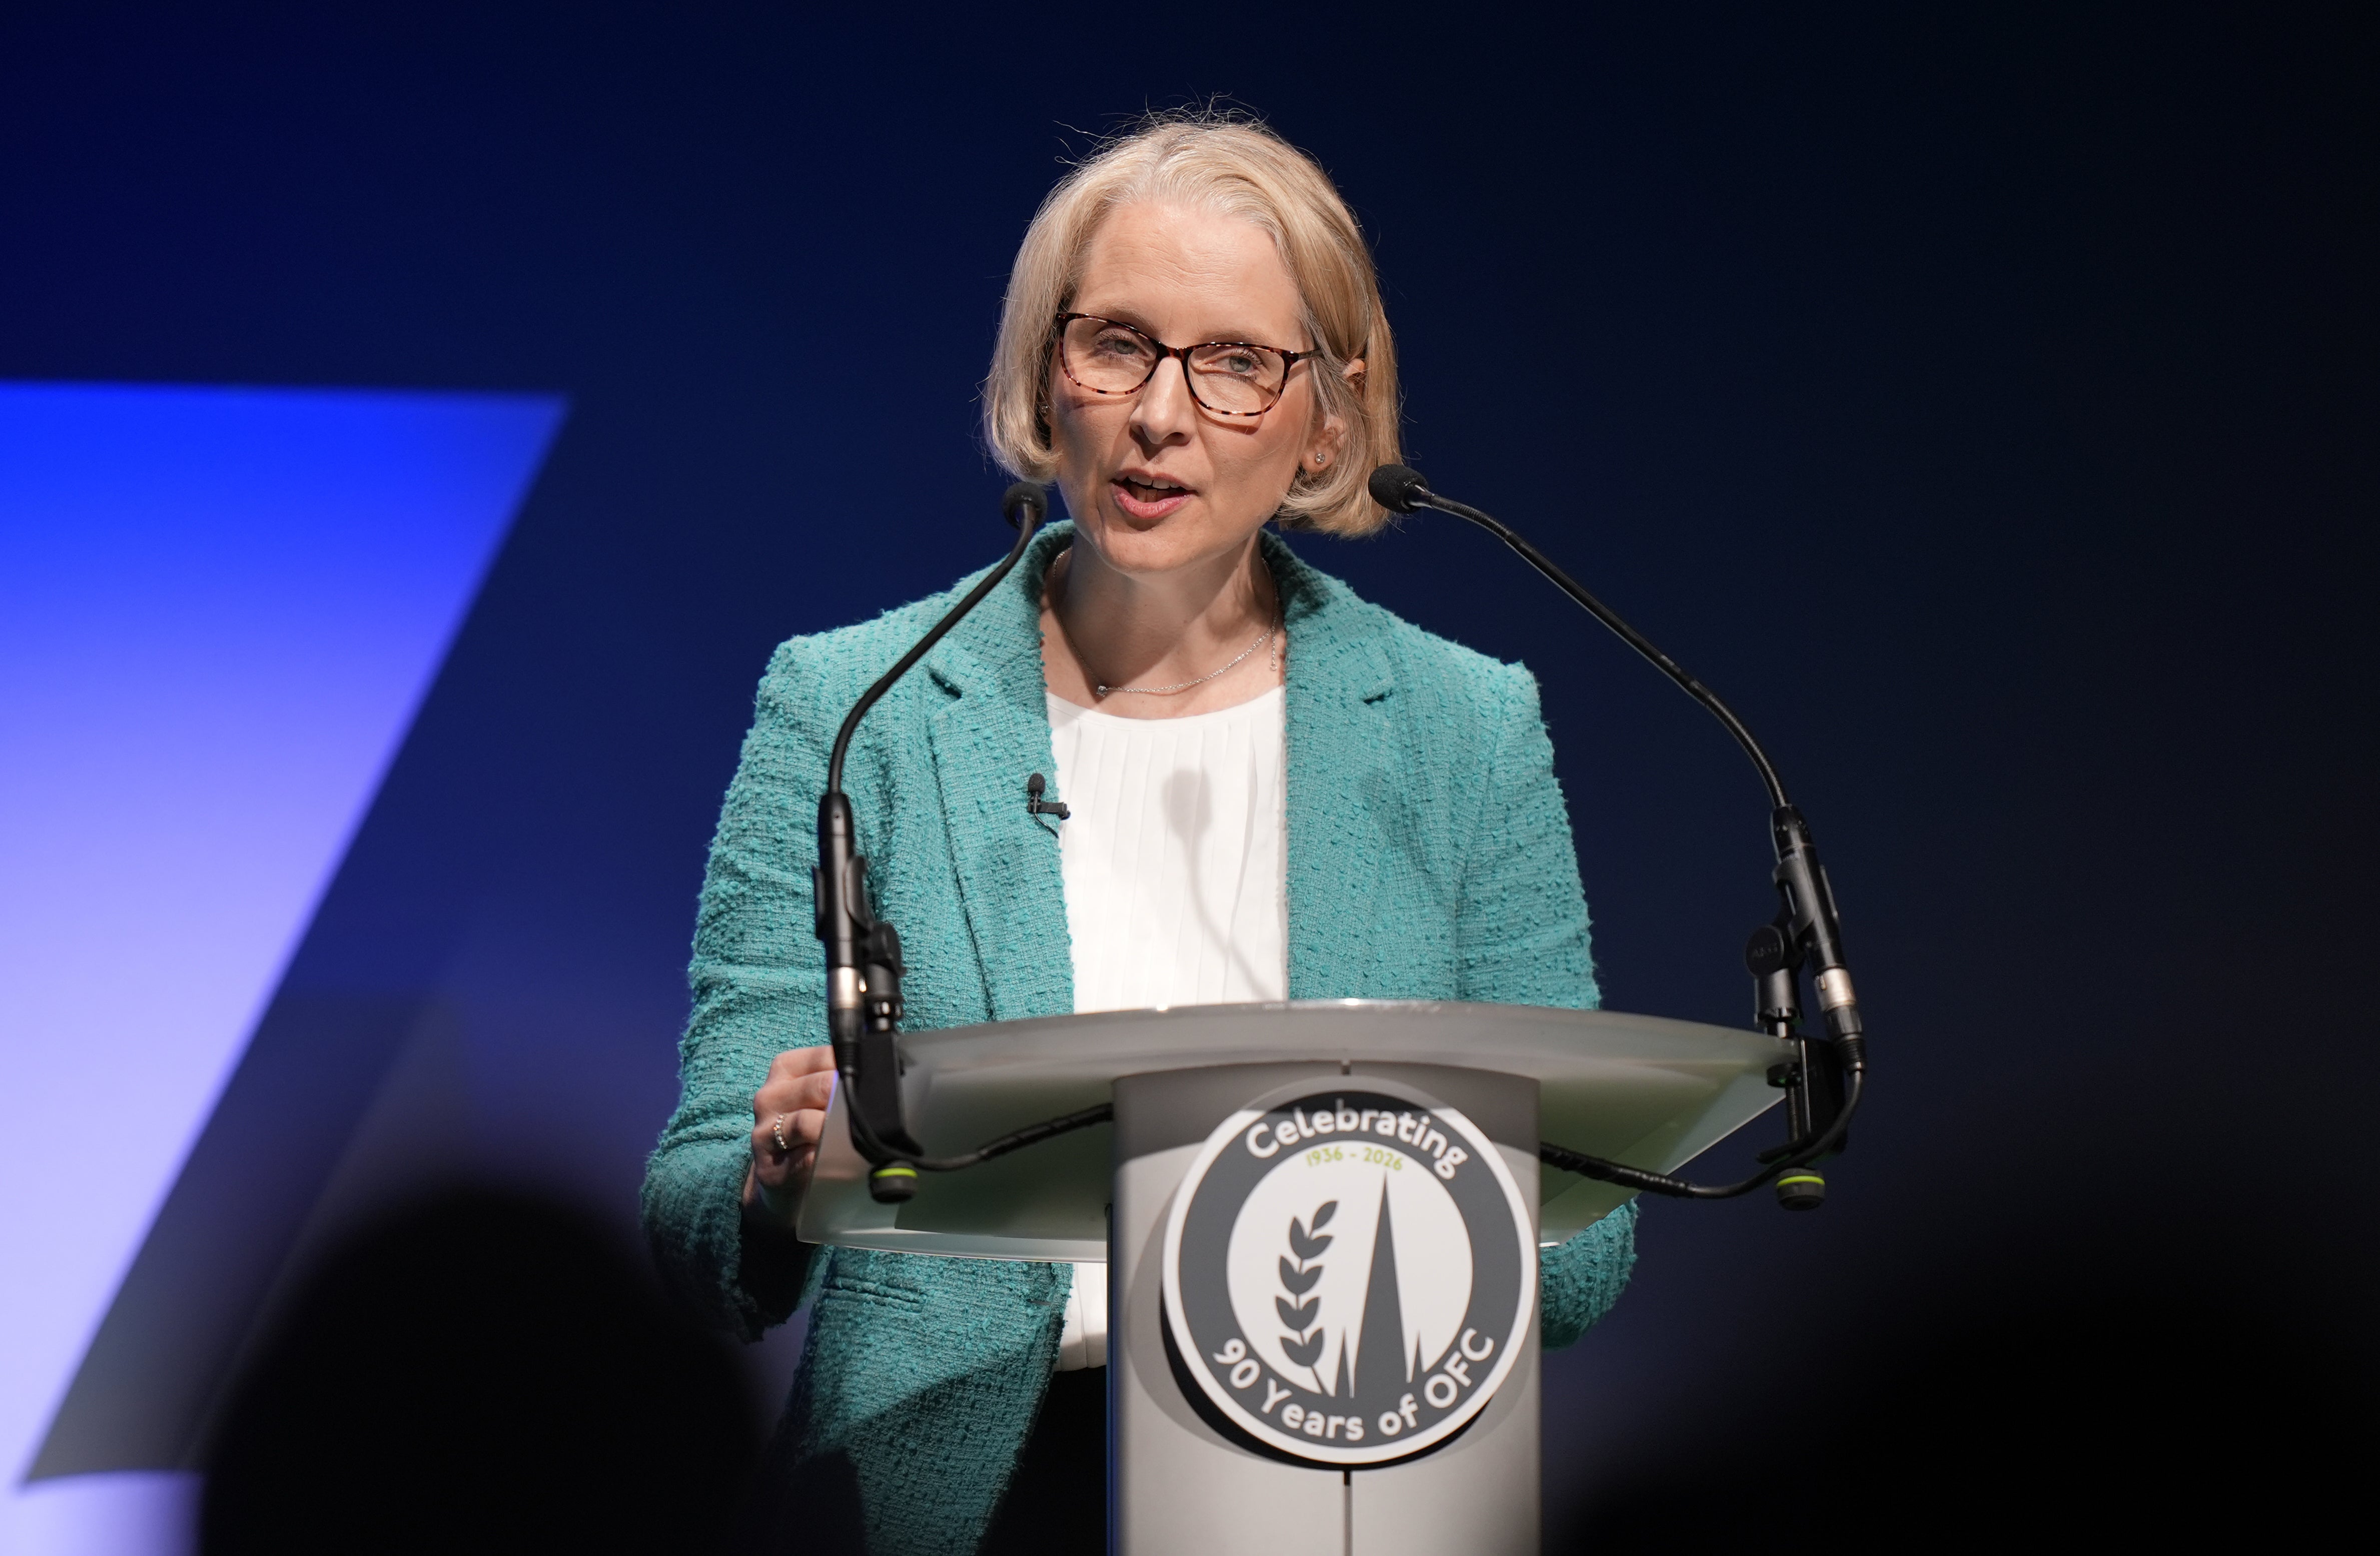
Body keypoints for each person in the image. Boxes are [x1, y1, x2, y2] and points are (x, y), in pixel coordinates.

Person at [641, 111, 1638, 1556]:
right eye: (1116, 343)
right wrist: (775, 1175)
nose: (1161, 413)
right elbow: (695, 1228)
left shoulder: (1462, 727)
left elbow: (1591, 1238)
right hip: (950, 1501)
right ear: (1049, 370)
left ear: (1332, 412)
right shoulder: (855, 709)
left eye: (1235, 362)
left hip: (1347, 1484)